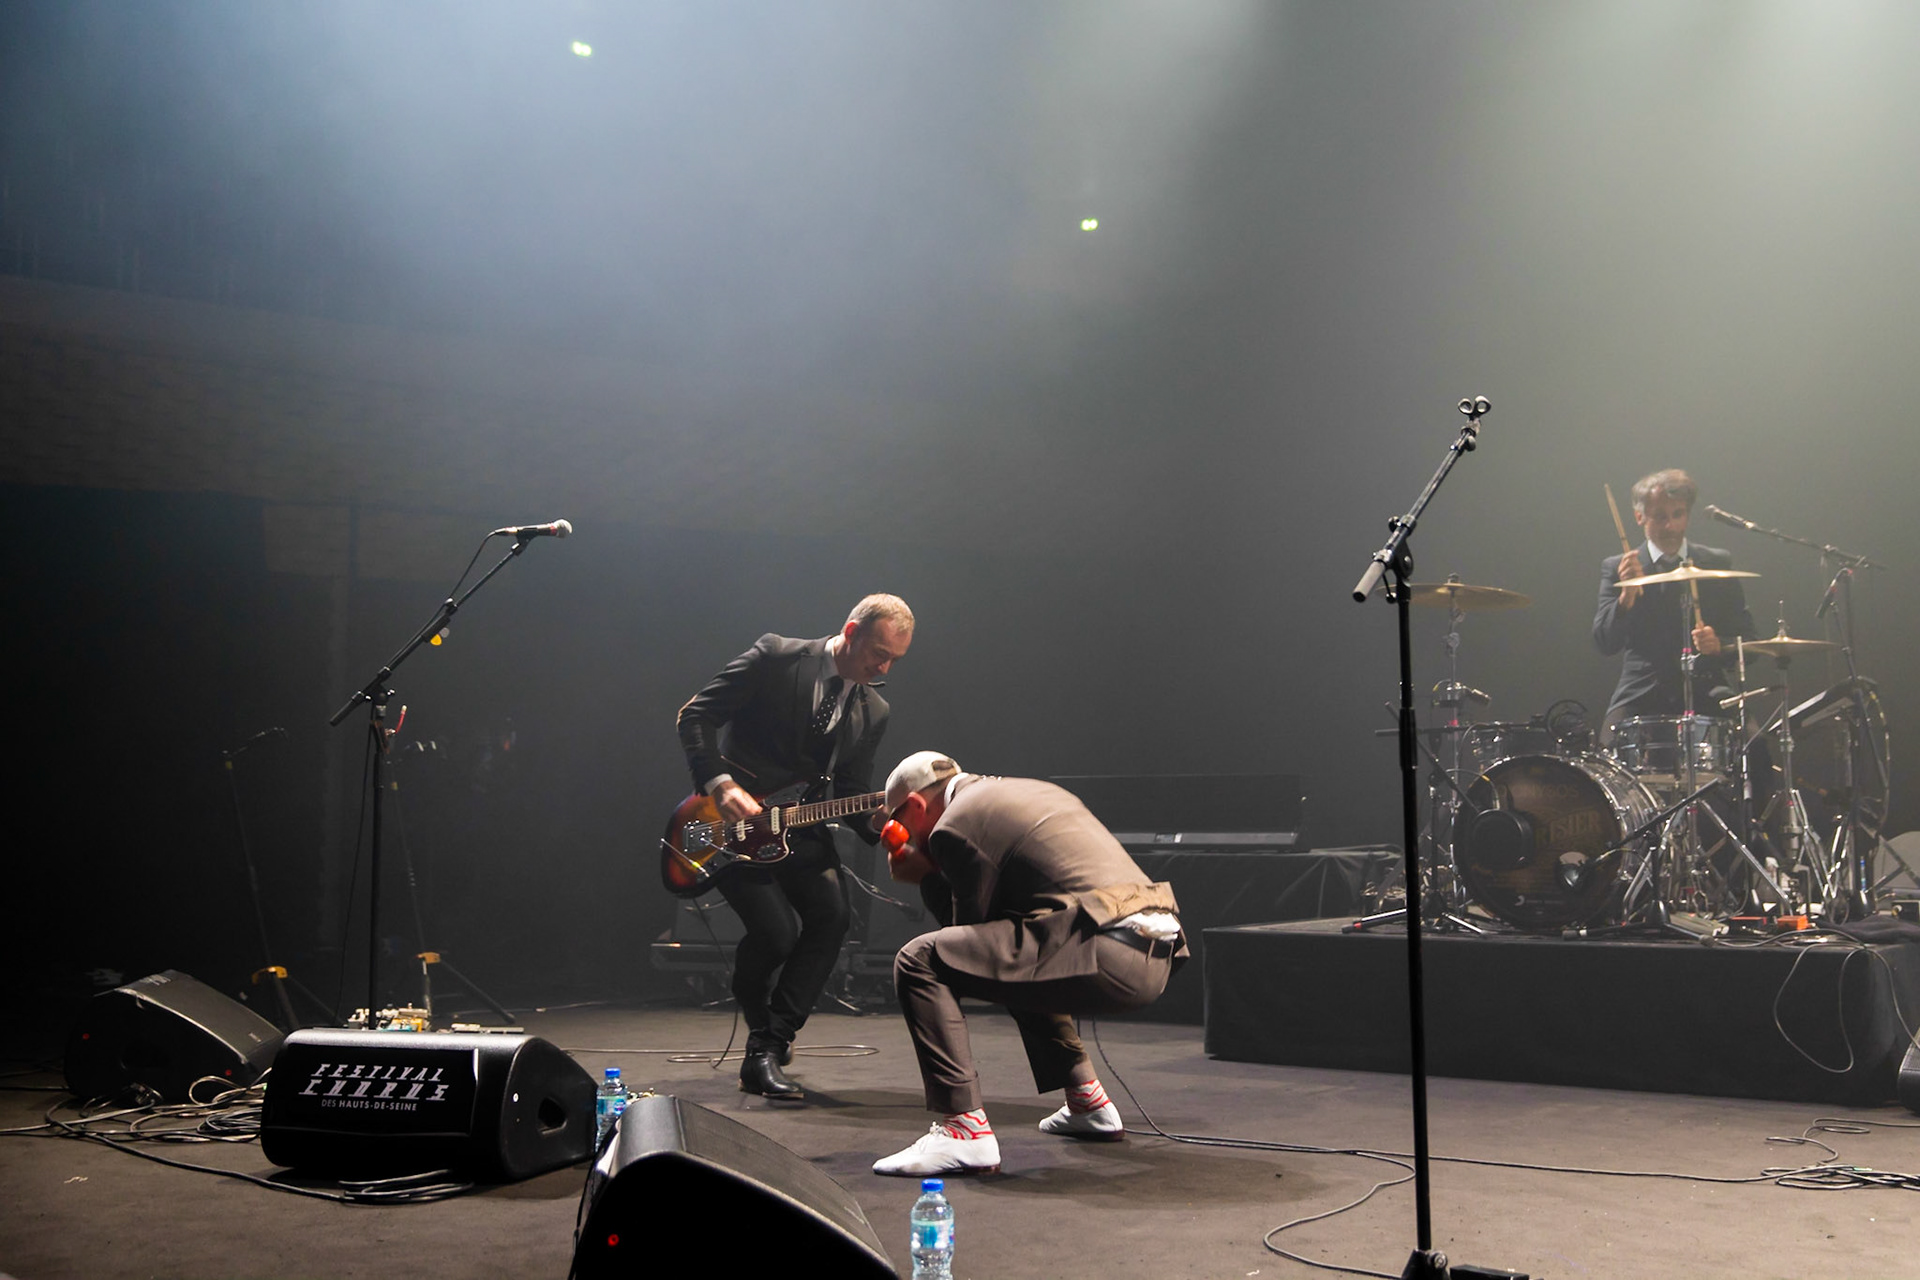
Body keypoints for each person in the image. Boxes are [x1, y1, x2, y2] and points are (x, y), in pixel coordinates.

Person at [867, 751, 1185, 1177]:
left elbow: (963, 941)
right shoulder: (1028, 790)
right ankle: (1087, 1103)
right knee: (1017, 949)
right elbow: (992, 942)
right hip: (1153, 954)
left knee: (918, 959)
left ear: (917, 808)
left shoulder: (953, 825)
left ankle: (963, 1130)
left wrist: (925, 876)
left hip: (1106, 953)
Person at [676, 594, 914, 1099]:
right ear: (850, 632)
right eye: (878, 651)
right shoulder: (776, 656)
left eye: (894, 659)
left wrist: (888, 826)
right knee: (777, 935)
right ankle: (753, 1000)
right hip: (732, 826)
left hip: (800, 828)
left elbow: (850, 792)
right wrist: (719, 782)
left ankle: (768, 1043)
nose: (884, 666)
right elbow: (695, 717)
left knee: (832, 917)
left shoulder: (874, 709)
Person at [1593, 469, 1755, 744]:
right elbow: (1605, 643)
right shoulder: (1617, 567)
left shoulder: (1716, 562)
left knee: (1756, 745)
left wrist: (1720, 645)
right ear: (1639, 517)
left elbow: (1751, 642)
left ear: (1687, 516)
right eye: (1660, 517)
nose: (1669, 526)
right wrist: (1626, 598)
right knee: (1609, 750)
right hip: (1642, 690)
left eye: (1677, 515)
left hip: (1708, 687)